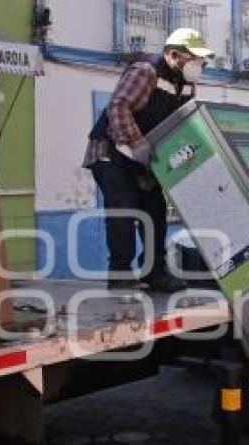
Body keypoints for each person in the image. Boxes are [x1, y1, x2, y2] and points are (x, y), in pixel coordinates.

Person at [83, 28, 214, 291]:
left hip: (144, 160)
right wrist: (137, 142)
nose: (200, 66)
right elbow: (118, 106)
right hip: (111, 152)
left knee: (154, 212)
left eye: (202, 61)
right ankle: (120, 273)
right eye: (196, 60)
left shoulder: (187, 85)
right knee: (124, 209)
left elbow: (181, 126)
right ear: (174, 55)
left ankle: (154, 273)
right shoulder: (146, 71)